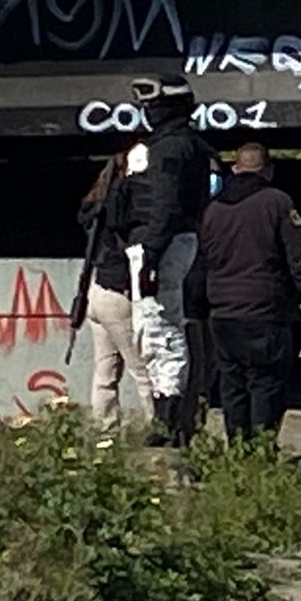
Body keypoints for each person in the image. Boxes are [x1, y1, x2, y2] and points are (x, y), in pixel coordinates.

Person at [199, 142, 301, 442]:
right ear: (268, 170)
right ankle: (261, 455)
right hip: (265, 313)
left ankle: (237, 454)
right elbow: (300, 261)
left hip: (222, 314)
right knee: (266, 385)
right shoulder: (279, 203)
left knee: (232, 386)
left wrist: (197, 307)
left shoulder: (212, 209)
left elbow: (201, 262)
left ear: (235, 169)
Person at [123, 74, 215, 445]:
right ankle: (169, 418)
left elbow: (164, 204)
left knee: (159, 330)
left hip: (160, 245)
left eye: (151, 106)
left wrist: (151, 256)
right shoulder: (188, 145)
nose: (146, 113)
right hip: (168, 243)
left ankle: (168, 422)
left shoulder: (170, 149)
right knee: (156, 330)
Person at [77, 149, 152, 428]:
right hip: (119, 292)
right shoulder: (128, 205)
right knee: (143, 368)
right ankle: (157, 426)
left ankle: (103, 428)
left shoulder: (97, 203)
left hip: (96, 290)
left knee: (105, 370)